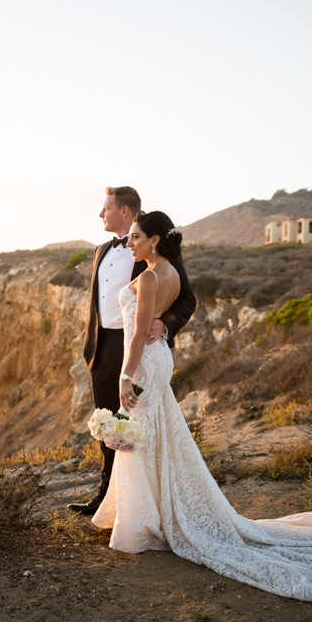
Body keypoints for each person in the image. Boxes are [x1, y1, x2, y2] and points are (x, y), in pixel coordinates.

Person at [90, 210, 312, 614]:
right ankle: (148, 512)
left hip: (143, 360)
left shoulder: (148, 277)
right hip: (159, 359)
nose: (131, 244)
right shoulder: (170, 272)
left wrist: (125, 375)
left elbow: (139, 330)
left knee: (141, 429)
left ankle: (142, 521)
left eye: (137, 237)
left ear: (155, 240)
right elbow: (157, 321)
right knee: (150, 429)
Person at [69, 187, 196, 516]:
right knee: (110, 423)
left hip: (136, 346)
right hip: (101, 347)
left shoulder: (155, 256)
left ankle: (141, 501)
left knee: (137, 422)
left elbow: (186, 299)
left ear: (124, 212)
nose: (101, 214)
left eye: (106, 207)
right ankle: (107, 495)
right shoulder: (100, 251)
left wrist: (164, 324)